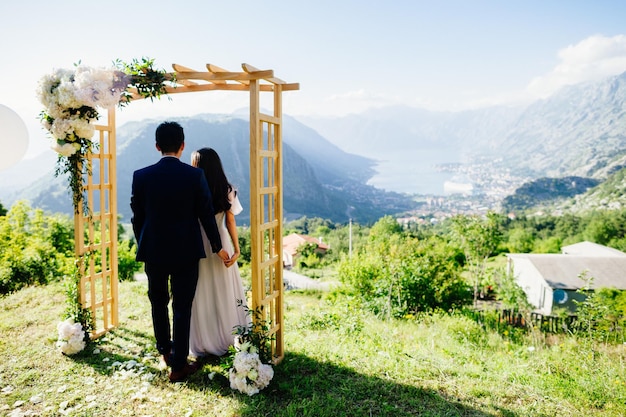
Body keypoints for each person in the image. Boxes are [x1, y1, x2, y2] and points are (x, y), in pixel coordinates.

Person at [130, 122, 229, 382]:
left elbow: (137, 218)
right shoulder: (194, 176)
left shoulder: (141, 176)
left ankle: (165, 351)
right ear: (182, 146)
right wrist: (218, 247)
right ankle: (178, 366)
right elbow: (206, 215)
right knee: (182, 306)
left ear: (157, 146)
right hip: (187, 252)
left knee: (158, 302)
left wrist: (144, 242)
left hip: (153, 251)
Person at [189, 147, 251, 358]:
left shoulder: (192, 186)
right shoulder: (228, 189)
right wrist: (237, 249)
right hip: (222, 242)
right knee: (225, 290)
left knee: (201, 290)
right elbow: (231, 220)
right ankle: (229, 336)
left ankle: (205, 340)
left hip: (198, 241)